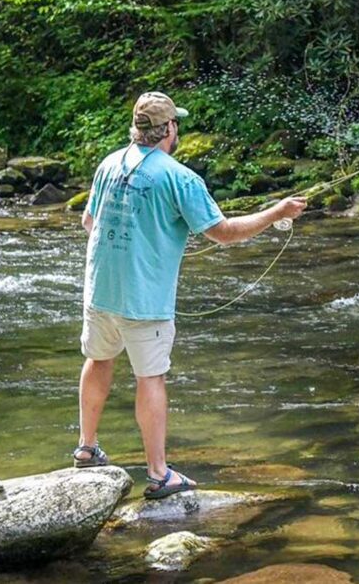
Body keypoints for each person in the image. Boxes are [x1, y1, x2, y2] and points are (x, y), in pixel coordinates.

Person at [73, 91, 306, 499]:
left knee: (98, 359)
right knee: (151, 377)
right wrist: (277, 212)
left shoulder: (109, 164)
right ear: (170, 129)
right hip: (144, 301)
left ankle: (87, 449)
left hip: (100, 291)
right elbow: (225, 233)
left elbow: (89, 222)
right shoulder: (179, 177)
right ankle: (160, 474)